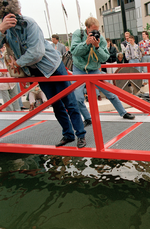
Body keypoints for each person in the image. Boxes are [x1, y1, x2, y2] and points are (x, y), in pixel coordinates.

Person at [0, 0, 86, 148]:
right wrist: (1, 30)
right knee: (56, 104)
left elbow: (37, 53)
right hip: (38, 72)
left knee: (69, 102)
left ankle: (80, 134)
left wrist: (18, 63)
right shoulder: (5, 30)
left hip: (53, 66)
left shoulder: (29, 23)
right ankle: (68, 134)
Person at [71, 17, 135, 125]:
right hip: (79, 69)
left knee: (109, 92)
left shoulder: (101, 39)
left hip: (94, 69)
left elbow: (105, 58)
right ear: (87, 29)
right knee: (77, 97)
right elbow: (74, 51)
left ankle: (123, 112)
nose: (95, 33)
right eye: (92, 31)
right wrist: (86, 43)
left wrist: (97, 47)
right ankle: (87, 118)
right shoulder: (78, 34)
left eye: (97, 31)